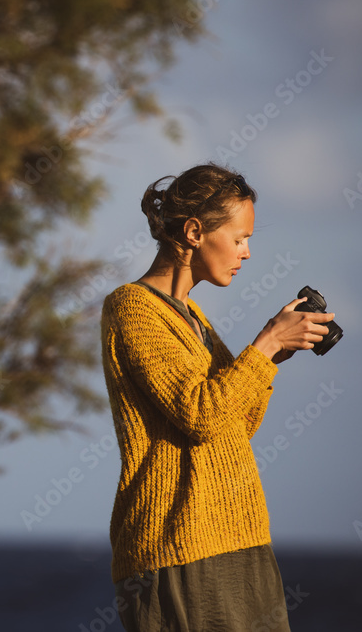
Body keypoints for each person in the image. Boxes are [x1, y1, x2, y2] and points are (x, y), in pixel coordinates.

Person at [99, 164, 335, 631]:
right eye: (240, 238)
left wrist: (271, 359)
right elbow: (199, 415)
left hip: (238, 537)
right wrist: (264, 344)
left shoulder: (195, 319)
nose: (247, 253)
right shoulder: (133, 308)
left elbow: (235, 424)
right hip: (179, 545)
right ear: (193, 232)